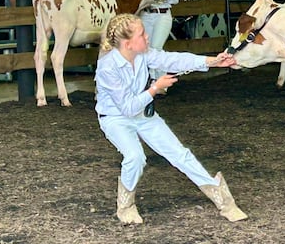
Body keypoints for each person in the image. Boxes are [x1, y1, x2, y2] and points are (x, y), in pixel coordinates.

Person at [95, 13, 247, 224]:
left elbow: (173, 59)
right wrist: (155, 88)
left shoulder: (143, 54)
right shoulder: (107, 67)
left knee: (180, 154)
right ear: (128, 44)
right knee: (135, 157)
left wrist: (212, 61)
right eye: (142, 34)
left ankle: (223, 201)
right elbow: (127, 108)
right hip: (115, 119)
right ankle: (126, 206)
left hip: (143, 114)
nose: (147, 36)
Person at [138, 0, 179, 90]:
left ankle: (160, 82)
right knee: (145, 47)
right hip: (145, 14)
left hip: (162, 14)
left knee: (156, 47)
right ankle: (150, 80)